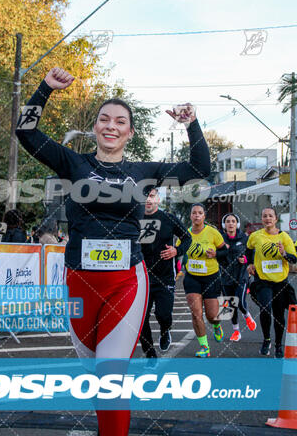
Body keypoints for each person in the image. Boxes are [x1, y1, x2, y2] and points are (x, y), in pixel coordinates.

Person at [16, 67, 210, 436]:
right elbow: (25, 132)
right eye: (104, 118)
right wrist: (44, 89)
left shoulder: (144, 171)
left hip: (126, 283)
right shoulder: (74, 163)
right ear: (95, 128)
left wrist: (192, 124)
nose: (111, 125)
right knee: (96, 378)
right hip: (78, 282)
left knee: (111, 372)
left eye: (120, 121)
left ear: (130, 132)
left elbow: (200, 167)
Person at [139, 187, 191, 357]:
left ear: (158, 200)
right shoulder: (133, 219)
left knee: (163, 314)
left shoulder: (168, 219)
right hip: (140, 277)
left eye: (152, 196)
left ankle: (164, 330)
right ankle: (149, 352)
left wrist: (177, 250)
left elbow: (187, 238)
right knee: (140, 319)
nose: (148, 199)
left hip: (164, 277)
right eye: (145, 196)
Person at [247, 207, 297, 358]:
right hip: (263, 281)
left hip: (280, 282)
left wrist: (283, 253)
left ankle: (278, 345)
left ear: (276, 219)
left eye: (270, 216)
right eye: (264, 216)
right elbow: (248, 249)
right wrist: (249, 263)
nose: (267, 218)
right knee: (265, 308)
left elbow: (294, 259)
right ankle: (266, 339)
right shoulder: (255, 236)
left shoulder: (284, 237)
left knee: (279, 315)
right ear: (262, 219)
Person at [184, 203, 228, 358]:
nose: (197, 215)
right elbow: (179, 251)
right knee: (196, 314)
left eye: (200, 213)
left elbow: (225, 251)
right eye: (194, 213)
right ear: (190, 216)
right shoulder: (185, 234)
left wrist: (215, 253)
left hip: (211, 277)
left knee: (212, 315)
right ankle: (204, 347)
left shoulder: (213, 232)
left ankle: (217, 325)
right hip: (191, 278)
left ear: (204, 216)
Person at [220, 212, 256, 341]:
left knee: (240, 301)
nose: (231, 223)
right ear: (224, 224)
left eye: (233, 221)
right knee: (231, 304)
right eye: (228, 221)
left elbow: (251, 255)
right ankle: (236, 331)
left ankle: (247, 315)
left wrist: (246, 260)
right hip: (225, 276)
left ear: (237, 224)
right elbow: (217, 255)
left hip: (241, 275)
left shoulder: (244, 238)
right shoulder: (220, 239)